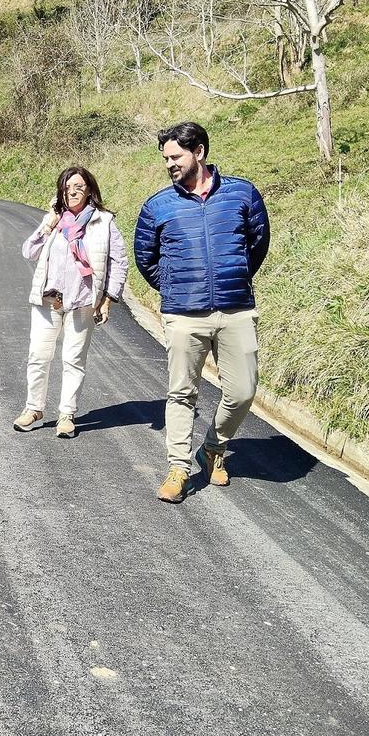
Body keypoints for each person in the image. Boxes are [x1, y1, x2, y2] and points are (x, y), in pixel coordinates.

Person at [134, 121, 270, 503]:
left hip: (236, 309)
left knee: (243, 391)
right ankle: (178, 468)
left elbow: (257, 244)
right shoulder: (158, 205)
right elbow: (146, 258)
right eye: (165, 158)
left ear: (200, 152)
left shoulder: (242, 194)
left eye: (175, 156)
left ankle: (212, 447)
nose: (169, 164)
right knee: (181, 393)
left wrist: (233, 275)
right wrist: (177, 285)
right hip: (183, 313)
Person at [14, 166, 128, 438]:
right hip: (49, 300)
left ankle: (67, 414)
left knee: (73, 358)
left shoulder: (103, 221)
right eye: (66, 188)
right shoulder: (54, 221)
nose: (72, 192)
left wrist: (108, 298)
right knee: (38, 356)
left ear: (89, 189)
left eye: (78, 186)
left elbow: (119, 262)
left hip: (83, 301)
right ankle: (34, 408)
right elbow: (29, 251)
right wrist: (49, 223)